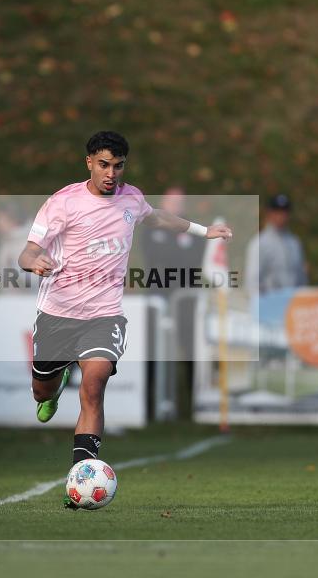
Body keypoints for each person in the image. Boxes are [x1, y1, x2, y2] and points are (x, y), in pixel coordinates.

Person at [17, 131, 232, 508]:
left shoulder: (131, 199)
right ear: (89, 163)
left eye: (118, 166)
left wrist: (203, 231)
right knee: (42, 391)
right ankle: (55, 379)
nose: (111, 173)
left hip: (104, 314)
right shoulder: (62, 202)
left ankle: (81, 474)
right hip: (58, 313)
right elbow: (28, 250)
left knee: (95, 385)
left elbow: (158, 217)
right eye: (103, 165)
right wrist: (33, 261)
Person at [244, 194, 307, 299]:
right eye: (277, 211)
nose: (281, 216)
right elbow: (252, 282)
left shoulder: (295, 243)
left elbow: (301, 279)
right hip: (269, 307)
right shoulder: (259, 243)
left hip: (292, 307)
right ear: (269, 213)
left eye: (284, 212)